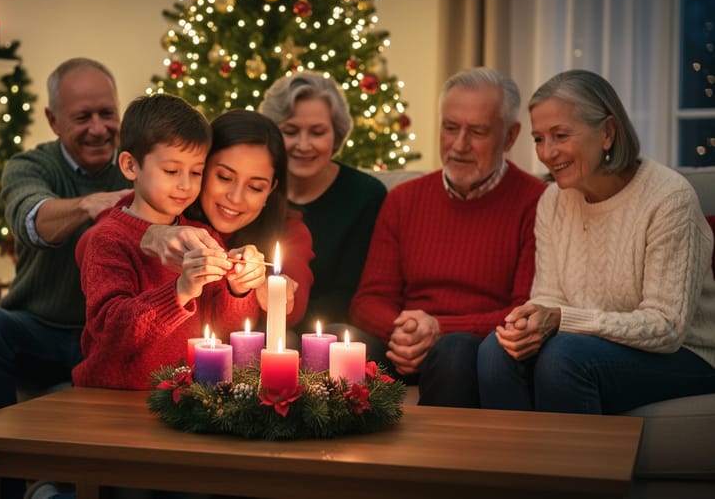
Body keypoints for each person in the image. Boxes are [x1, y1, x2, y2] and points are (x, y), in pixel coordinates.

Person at [477, 69, 715, 414]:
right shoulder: (553, 201)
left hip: (685, 355)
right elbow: (549, 296)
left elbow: (667, 327)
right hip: (587, 346)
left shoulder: (669, 198)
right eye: (539, 139)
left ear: (607, 133)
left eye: (560, 135)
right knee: (495, 352)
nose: (547, 153)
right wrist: (530, 324)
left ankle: (572, 469)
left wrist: (561, 320)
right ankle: (518, 467)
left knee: (562, 359)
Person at [348, 67, 548, 407]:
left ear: (510, 137)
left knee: (454, 349)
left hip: (470, 348)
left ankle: (433, 459)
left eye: (478, 132)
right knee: (341, 338)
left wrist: (439, 328)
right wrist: (406, 330)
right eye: (450, 128)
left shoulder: (537, 201)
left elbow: (523, 310)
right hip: (404, 344)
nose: (459, 145)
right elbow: (368, 301)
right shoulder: (404, 199)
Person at [0, 57, 131, 421]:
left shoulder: (142, 163)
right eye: (83, 118)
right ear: (53, 120)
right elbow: (32, 220)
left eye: (107, 114)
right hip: (38, 332)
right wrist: (89, 205)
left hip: (112, 335)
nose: (99, 129)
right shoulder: (29, 166)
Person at [74, 95, 266, 390]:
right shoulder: (108, 239)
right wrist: (180, 291)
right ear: (130, 166)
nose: (185, 185)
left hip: (184, 400)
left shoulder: (203, 236)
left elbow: (228, 331)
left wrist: (237, 289)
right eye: (171, 171)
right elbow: (111, 330)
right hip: (115, 400)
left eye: (196, 172)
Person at [142, 110, 315, 338]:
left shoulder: (288, 230)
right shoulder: (167, 204)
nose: (235, 198)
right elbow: (100, 237)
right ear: (200, 169)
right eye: (224, 177)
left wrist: (265, 286)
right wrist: (151, 234)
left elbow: (293, 311)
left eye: (255, 187)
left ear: (272, 189)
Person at [258, 71, 386, 330]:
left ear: (336, 135)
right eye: (291, 131)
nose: (303, 145)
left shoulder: (366, 194)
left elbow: (352, 293)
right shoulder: (256, 188)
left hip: (333, 330)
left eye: (317, 132)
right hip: (262, 321)